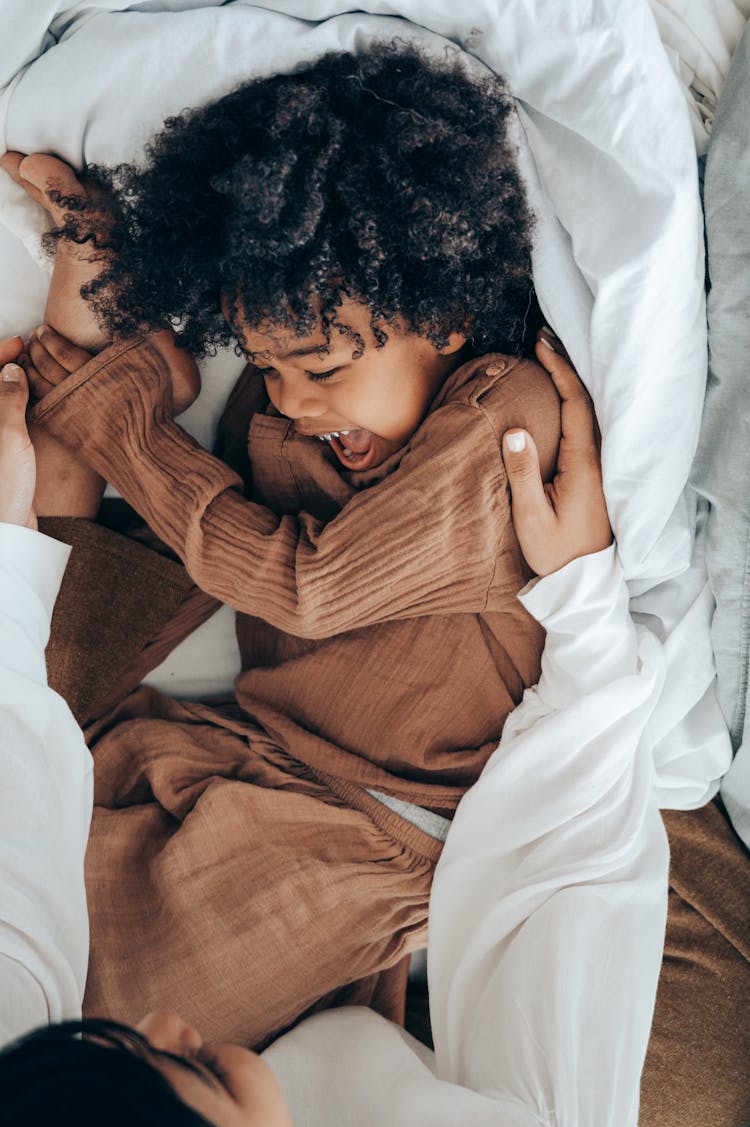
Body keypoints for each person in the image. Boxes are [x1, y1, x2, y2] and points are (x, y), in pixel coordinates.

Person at [2, 44, 573, 1045]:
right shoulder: (280, 424)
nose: (296, 403)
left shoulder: (503, 417)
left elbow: (306, 587)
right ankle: (109, 344)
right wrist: (130, 443)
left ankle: (111, 374)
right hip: (227, 742)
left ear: (440, 314)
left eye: (320, 367)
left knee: (81, 1032)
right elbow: (212, 543)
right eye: (264, 366)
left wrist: (126, 429)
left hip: (362, 831)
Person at [0, 322, 673, 1126]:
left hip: (289, 750)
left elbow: (20, 911)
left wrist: (14, 541)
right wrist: (583, 600)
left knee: (50, 742)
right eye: (195, 1067)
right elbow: (306, 586)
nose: (167, 1031)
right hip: (392, 807)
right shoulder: (501, 425)